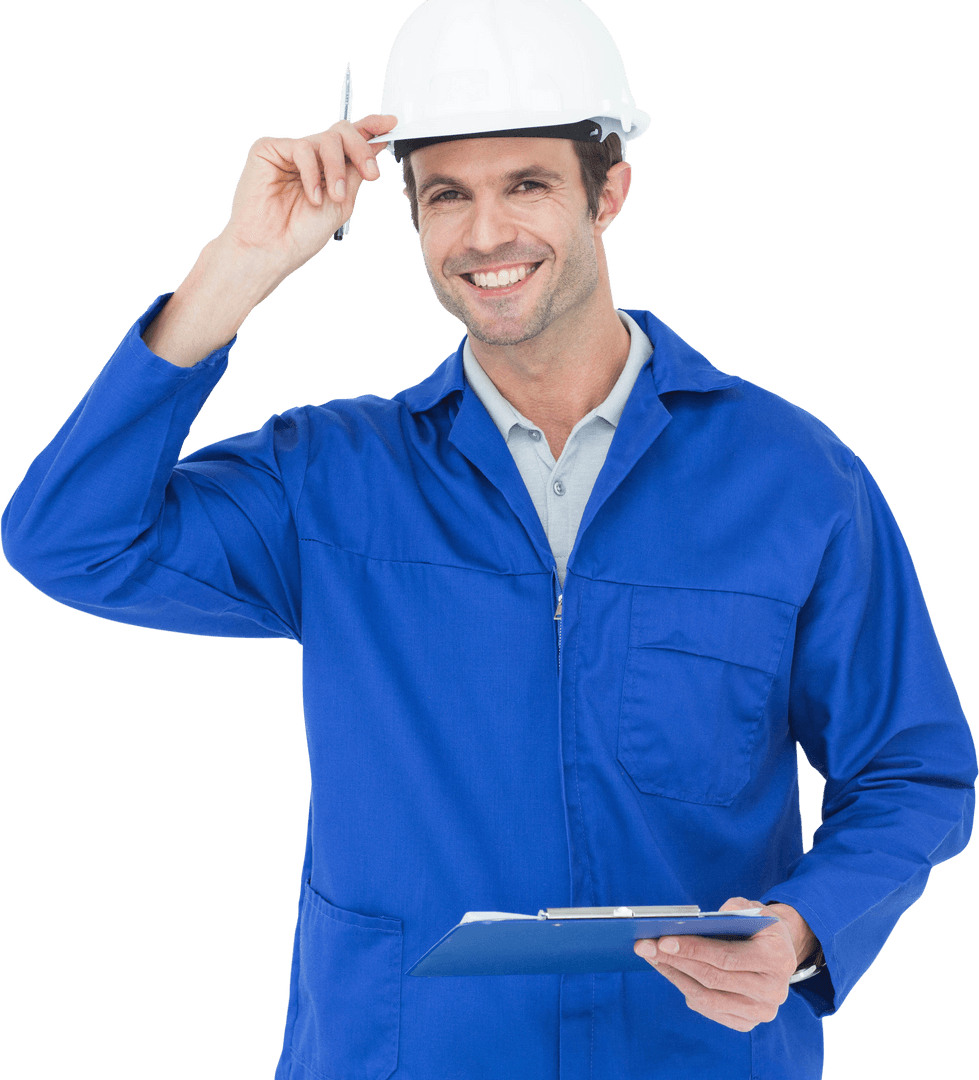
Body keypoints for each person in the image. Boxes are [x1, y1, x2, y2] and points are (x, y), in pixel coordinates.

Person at [2, 1, 974, 1077]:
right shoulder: (333, 478)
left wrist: (799, 933)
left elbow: (911, 770)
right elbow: (69, 540)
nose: (484, 235)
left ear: (609, 190)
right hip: (402, 1054)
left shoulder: (793, 479)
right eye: (446, 195)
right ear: (408, 214)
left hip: (689, 1054)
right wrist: (239, 262)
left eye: (527, 185)